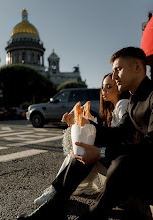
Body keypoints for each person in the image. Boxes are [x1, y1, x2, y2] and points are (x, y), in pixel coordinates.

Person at [18, 46, 153, 220]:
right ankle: (55, 206)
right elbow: (119, 133)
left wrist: (101, 152)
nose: (114, 77)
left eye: (118, 69)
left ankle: (94, 214)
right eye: (113, 72)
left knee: (122, 162)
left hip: (144, 170)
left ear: (137, 67)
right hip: (137, 166)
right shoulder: (134, 99)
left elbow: (150, 146)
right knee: (86, 147)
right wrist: (87, 124)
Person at [34, 73, 129, 206]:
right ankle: (64, 191)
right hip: (115, 159)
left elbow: (117, 136)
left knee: (82, 151)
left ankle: (56, 193)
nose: (104, 91)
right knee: (81, 151)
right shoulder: (113, 109)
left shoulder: (123, 104)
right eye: (103, 87)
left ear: (119, 88)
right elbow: (108, 134)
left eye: (109, 87)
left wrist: (88, 124)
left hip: (122, 163)